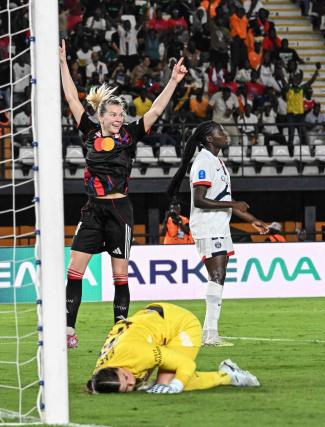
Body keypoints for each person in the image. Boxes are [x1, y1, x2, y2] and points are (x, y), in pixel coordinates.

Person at [59, 40, 188, 349]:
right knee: (74, 271)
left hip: (120, 212)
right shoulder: (89, 131)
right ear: (102, 116)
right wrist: (62, 63)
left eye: (121, 115)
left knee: (120, 277)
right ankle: (68, 330)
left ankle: (119, 331)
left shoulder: (130, 136)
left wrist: (173, 80)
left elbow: (156, 109)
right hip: (92, 212)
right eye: (114, 114)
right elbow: (70, 98)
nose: (119, 119)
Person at [166, 121, 268, 346]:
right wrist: (234, 203)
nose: (225, 134)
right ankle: (210, 334)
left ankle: (210, 332)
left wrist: (253, 220)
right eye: (220, 132)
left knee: (219, 276)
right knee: (217, 276)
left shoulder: (216, 161)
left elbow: (224, 201)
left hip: (218, 225)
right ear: (210, 139)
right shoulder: (203, 161)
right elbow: (199, 199)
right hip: (208, 225)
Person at [87, 302, 260, 393]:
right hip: (152, 319)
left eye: (126, 377)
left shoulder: (140, 354)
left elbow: (186, 365)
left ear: (116, 368)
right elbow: (94, 385)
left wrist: (178, 384)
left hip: (180, 324)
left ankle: (229, 375)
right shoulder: (102, 373)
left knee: (168, 383)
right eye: (127, 387)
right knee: (158, 385)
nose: (131, 381)